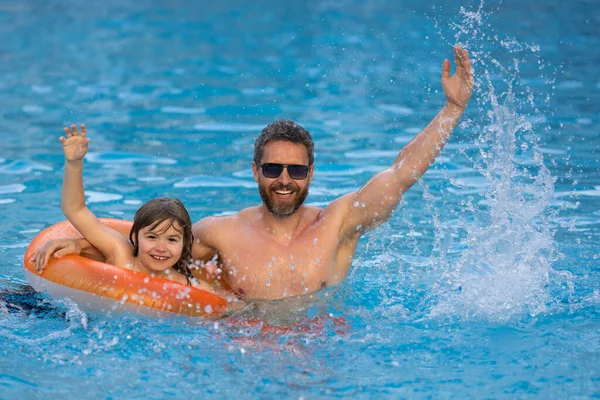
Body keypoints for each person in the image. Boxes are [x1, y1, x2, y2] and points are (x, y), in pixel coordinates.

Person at [35, 46, 473, 301]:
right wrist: (82, 244)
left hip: (320, 351)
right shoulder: (221, 232)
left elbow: (400, 173)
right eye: (273, 167)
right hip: (238, 347)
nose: (285, 178)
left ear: (311, 173)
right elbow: (151, 251)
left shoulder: (339, 222)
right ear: (255, 171)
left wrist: (451, 111)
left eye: (296, 169)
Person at [37, 124, 234, 300]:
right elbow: (75, 209)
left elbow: (227, 308)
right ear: (136, 238)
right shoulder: (120, 254)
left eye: (172, 240)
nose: (161, 247)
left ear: (184, 245)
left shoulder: (191, 287)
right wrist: (74, 164)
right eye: (152, 237)